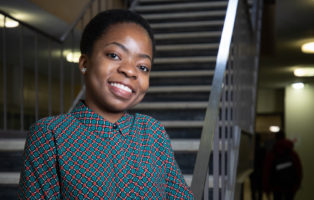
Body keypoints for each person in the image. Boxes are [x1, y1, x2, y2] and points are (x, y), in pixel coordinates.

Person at [18, 9, 194, 199]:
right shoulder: (50, 135)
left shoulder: (152, 132)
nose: (129, 71)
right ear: (85, 63)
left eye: (142, 67)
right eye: (114, 55)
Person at [262, 131, 302, 200]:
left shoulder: (272, 154)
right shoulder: (292, 154)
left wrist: (266, 188)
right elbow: (299, 170)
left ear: (275, 138)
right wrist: (296, 185)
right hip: (290, 186)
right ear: (284, 137)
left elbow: (267, 171)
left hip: (276, 186)